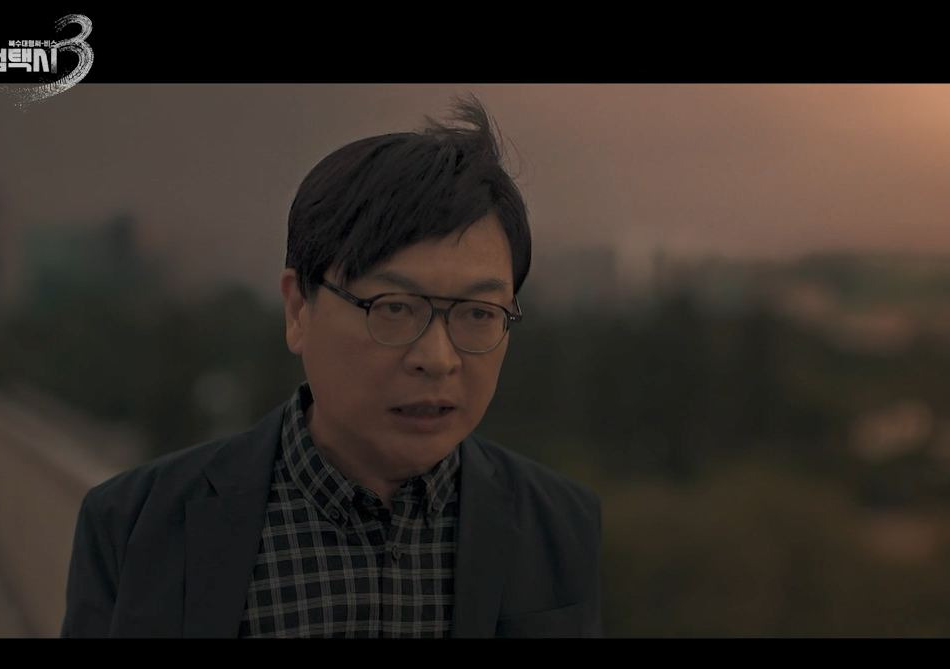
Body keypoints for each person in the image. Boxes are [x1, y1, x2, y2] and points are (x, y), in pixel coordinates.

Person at [60, 96, 603, 638]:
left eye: (478, 313)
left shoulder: (560, 526)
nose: (437, 359)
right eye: (394, 308)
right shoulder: (136, 527)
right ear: (299, 308)